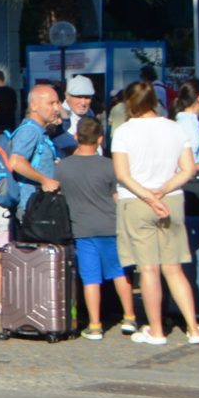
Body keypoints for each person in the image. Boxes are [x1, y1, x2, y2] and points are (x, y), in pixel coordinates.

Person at [110, 81, 199, 345]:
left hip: (136, 201)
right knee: (174, 268)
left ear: (129, 103)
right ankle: (193, 328)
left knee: (148, 270)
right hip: (171, 199)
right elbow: (188, 169)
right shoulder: (174, 128)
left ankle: (156, 329)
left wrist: (149, 196)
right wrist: (163, 191)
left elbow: (122, 174)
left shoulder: (124, 132)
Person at [56, 118, 138, 338]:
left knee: (90, 278)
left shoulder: (62, 167)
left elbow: (61, 194)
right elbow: (115, 194)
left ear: (76, 137)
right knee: (120, 273)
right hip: (110, 225)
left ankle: (94, 325)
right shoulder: (109, 165)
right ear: (100, 139)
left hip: (81, 229)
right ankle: (129, 317)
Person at [0, 80, 66, 245]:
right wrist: (44, 180)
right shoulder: (29, 131)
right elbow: (16, 162)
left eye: (57, 103)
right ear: (34, 106)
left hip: (38, 206)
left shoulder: (39, 131)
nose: (57, 108)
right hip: (31, 208)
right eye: (51, 103)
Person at [54, 75, 98, 158]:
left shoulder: (90, 113)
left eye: (87, 97)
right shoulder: (57, 116)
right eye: (79, 96)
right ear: (67, 95)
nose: (83, 102)